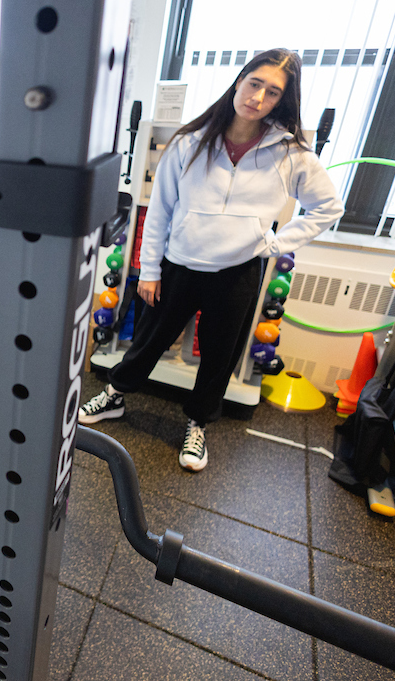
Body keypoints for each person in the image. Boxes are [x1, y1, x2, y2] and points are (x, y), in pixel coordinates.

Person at [79, 48, 344, 472]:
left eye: (272, 92)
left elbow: (329, 208)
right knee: (148, 339)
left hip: (237, 272)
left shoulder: (291, 154)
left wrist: (273, 242)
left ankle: (198, 423)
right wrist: (149, 270)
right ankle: (116, 394)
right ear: (239, 81)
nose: (258, 97)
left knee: (220, 353)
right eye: (254, 83)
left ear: (282, 101)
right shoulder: (190, 142)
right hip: (179, 264)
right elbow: (161, 210)